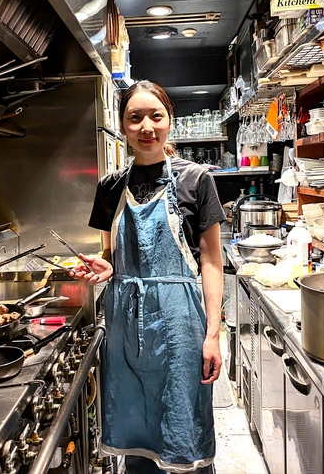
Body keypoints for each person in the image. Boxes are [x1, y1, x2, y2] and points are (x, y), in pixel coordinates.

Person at [72, 80, 225, 473]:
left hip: (179, 324)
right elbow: (112, 254)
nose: (146, 127)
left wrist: (212, 335)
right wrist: (106, 267)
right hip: (125, 325)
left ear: (169, 120)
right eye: (135, 117)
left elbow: (211, 261)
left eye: (156, 116)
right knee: (136, 427)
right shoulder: (109, 187)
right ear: (122, 126)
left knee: (183, 423)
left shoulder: (196, 180)